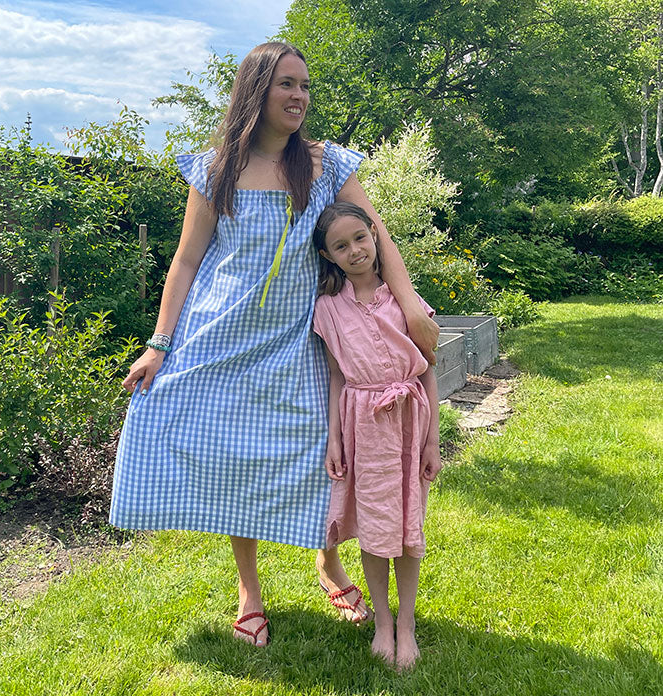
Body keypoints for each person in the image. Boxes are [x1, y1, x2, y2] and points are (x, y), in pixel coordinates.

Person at [109, 41, 439, 648]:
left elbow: (376, 230)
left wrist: (410, 301)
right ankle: (249, 594)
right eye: (286, 84)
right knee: (239, 456)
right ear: (255, 92)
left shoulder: (326, 163)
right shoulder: (217, 170)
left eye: (305, 86)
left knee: (324, 452)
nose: (299, 96)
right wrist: (159, 343)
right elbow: (185, 262)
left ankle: (328, 562)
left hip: (303, 335)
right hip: (224, 335)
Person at [311, 201, 443, 669]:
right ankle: (382, 623)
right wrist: (334, 438)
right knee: (372, 526)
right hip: (362, 427)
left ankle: (406, 626)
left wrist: (432, 441)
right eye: (340, 246)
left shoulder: (405, 300)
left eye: (360, 238)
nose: (354, 251)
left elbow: (427, 368)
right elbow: (335, 378)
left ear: (375, 236)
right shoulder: (327, 309)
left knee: (408, 528)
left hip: (410, 424)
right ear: (328, 256)